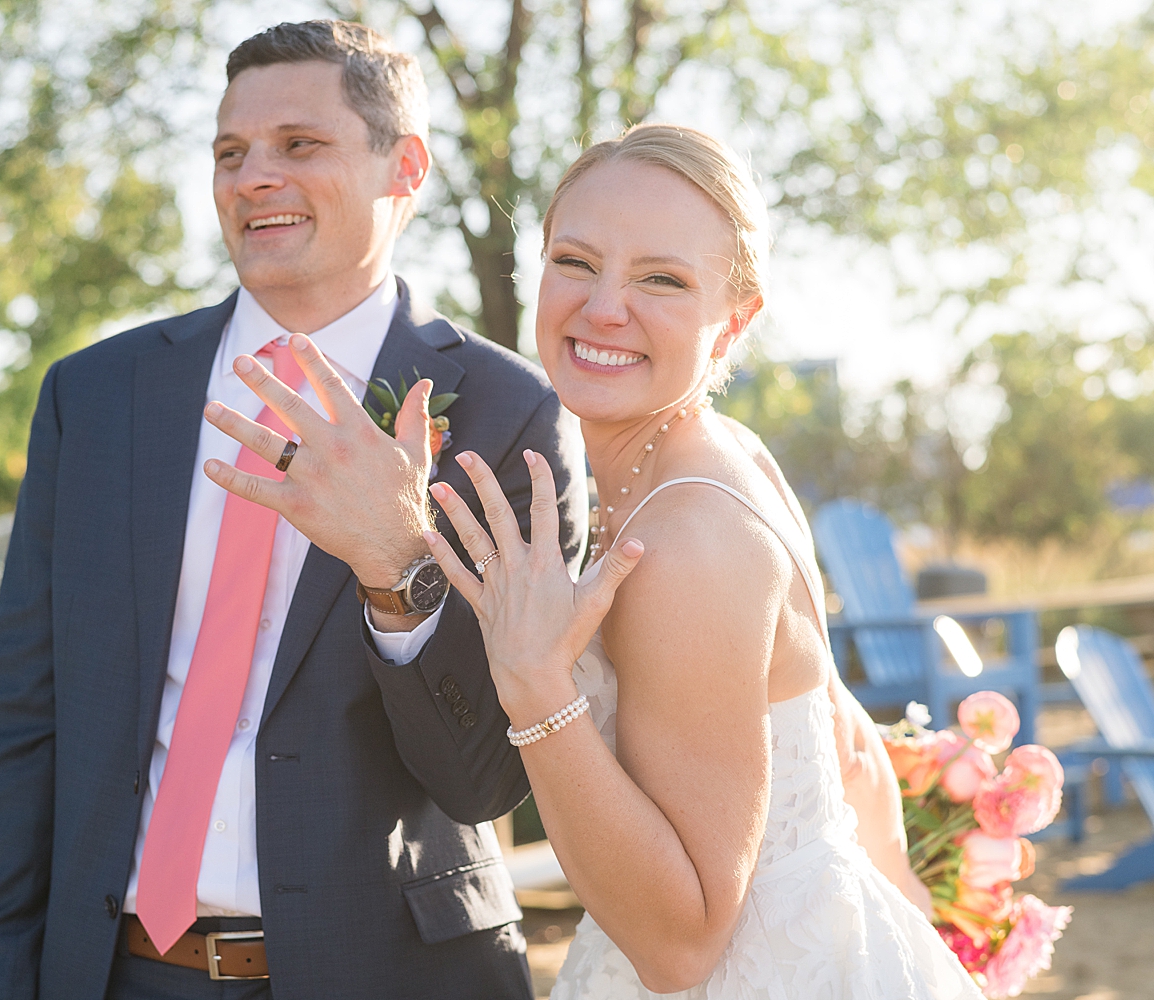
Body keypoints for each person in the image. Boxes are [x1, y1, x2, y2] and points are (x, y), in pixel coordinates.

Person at [0, 20, 586, 1000]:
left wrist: (399, 567)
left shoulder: (510, 413)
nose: (252, 178)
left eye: (299, 145)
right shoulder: (96, 397)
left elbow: (490, 779)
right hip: (119, 975)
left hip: (390, 977)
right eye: (231, 154)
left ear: (403, 168)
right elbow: (21, 728)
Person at [415, 124, 985, 998]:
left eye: (663, 279)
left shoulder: (682, 544)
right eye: (575, 261)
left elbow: (682, 949)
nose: (604, 307)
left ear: (735, 321)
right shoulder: (730, 453)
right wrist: (914, 928)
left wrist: (535, 686)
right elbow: (851, 748)